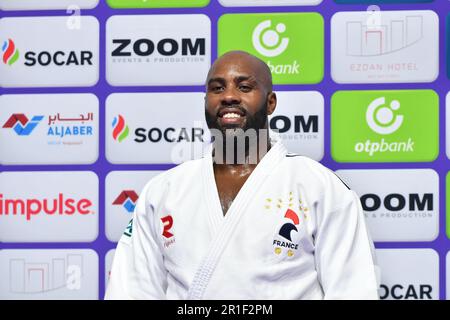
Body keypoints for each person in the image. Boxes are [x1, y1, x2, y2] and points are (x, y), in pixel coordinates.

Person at [105, 51, 379, 300]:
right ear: (205, 102)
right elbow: (131, 289)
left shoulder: (319, 187)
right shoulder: (164, 190)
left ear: (270, 103)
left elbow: (354, 290)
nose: (229, 96)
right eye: (217, 88)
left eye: (245, 86)